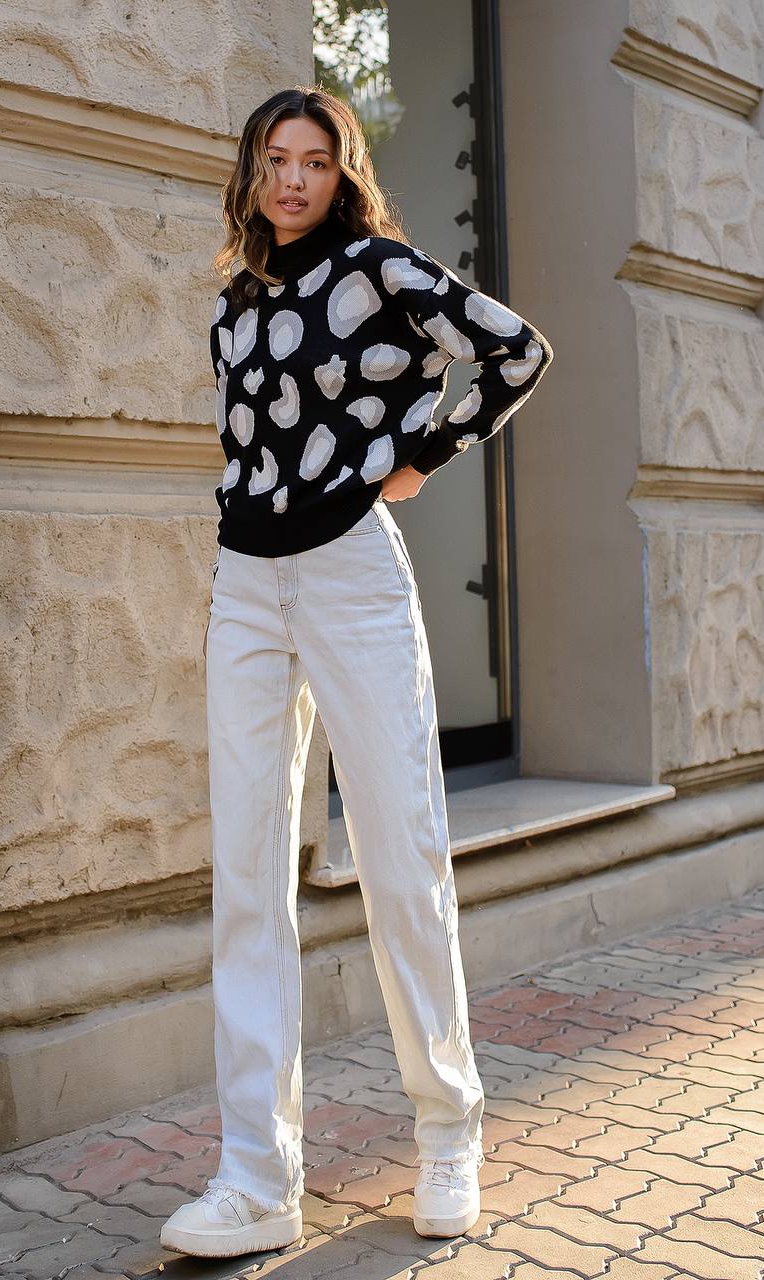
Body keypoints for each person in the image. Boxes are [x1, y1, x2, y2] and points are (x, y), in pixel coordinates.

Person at [160, 85, 553, 1260]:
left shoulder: (381, 273)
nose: (292, 180)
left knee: (400, 851)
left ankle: (447, 1127)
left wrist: (419, 453)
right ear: (252, 172)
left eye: (314, 160)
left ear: (342, 173)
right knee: (244, 876)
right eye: (275, 159)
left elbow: (513, 350)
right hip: (245, 583)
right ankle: (254, 1175)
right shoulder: (233, 305)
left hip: (348, 573)